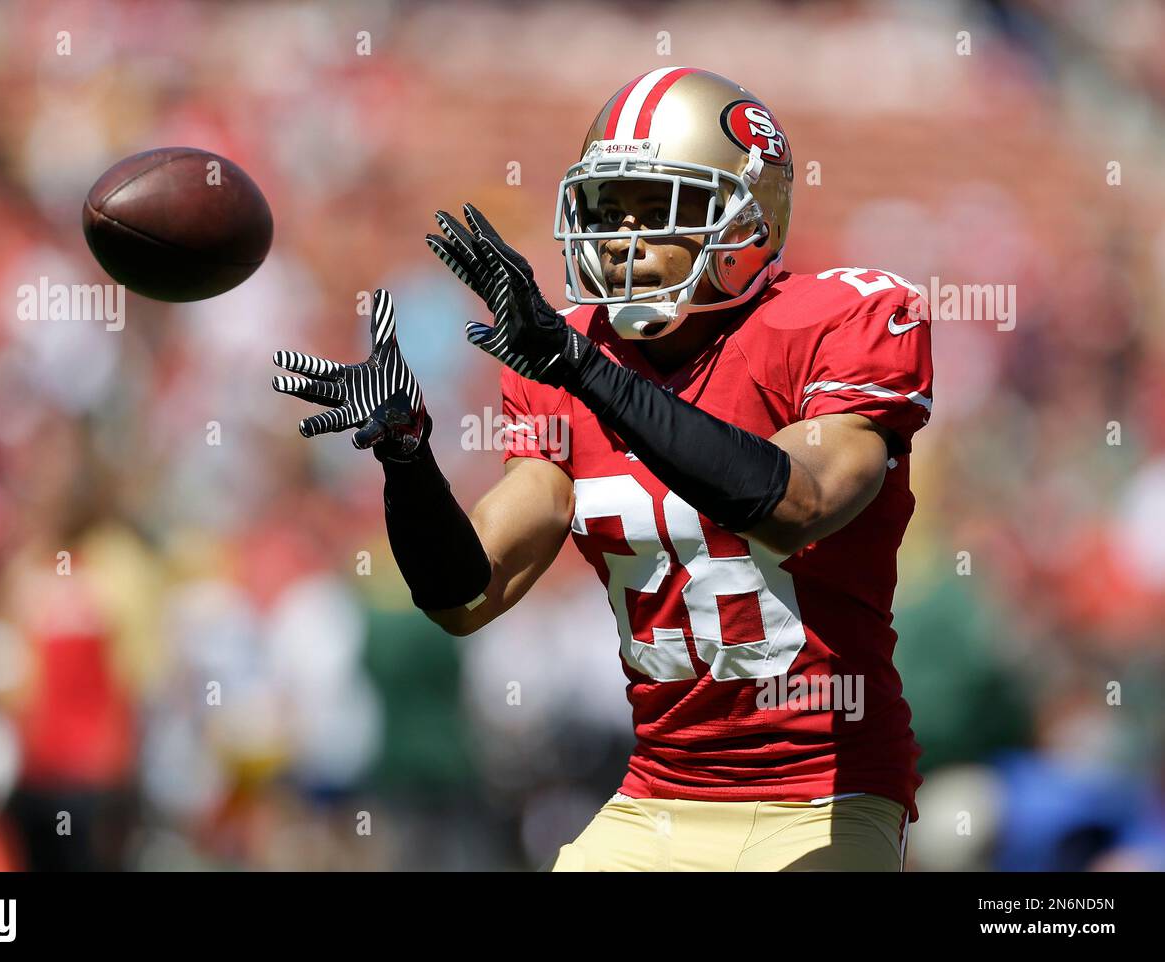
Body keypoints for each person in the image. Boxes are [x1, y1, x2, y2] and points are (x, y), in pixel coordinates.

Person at [272, 68, 933, 871]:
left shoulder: (838, 319)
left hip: (826, 793)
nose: (622, 238)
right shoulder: (571, 359)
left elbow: (797, 501)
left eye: (659, 210)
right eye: (607, 210)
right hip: (659, 798)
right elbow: (465, 594)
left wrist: (587, 369)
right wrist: (408, 458)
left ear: (749, 221)